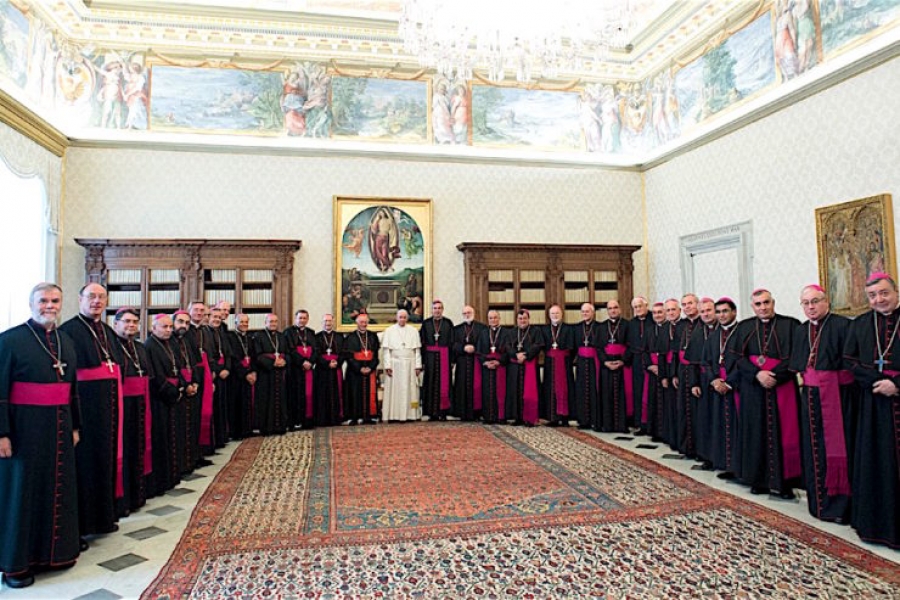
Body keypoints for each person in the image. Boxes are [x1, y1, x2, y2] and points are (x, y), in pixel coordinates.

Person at [0, 283, 81, 589]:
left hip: (59, 428)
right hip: (24, 431)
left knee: (57, 487)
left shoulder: (66, 341)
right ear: (31, 304)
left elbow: (73, 391)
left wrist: (75, 426)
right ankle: (15, 566)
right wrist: (1, 433)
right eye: (44, 301)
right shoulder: (9, 340)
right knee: (21, 494)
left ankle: (55, 554)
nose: (50, 306)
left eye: (55, 301)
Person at [59, 283, 125, 547]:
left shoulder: (107, 331)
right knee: (85, 465)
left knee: (104, 460)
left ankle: (103, 517)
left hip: (108, 408)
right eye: (91, 297)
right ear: (80, 299)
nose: (96, 302)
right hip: (85, 409)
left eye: (101, 297)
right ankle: (83, 526)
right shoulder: (68, 331)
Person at [790, 284, 856, 523]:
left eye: (815, 301)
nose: (811, 307)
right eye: (806, 303)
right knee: (813, 446)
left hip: (839, 398)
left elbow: (850, 366)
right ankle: (818, 504)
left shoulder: (844, 325)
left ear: (826, 301)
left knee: (839, 448)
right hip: (809, 398)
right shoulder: (801, 330)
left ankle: (841, 507)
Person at [843, 273, 900, 547]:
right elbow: (850, 360)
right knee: (875, 461)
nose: (879, 299)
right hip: (872, 403)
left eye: (884, 293)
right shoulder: (861, 324)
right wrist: (877, 382)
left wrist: (896, 384)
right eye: (873, 295)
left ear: (896, 292)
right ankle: (875, 526)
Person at [728, 289, 801, 498]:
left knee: (783, 433)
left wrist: (775, 375)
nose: (763, 307)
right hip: (754, 389)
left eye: (766, 302)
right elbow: (737, 358)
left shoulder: (791, 325)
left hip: (782, 386)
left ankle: (784, 483)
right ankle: (757, 480)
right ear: (752, 306)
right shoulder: (745, 327)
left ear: (773, 302)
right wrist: (757, 374)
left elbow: (796, 356)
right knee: (755, 433)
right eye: (758, 304)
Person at [145, 314, 192, 496]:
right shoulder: (149, 346)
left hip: (173, 396)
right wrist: (174, 392)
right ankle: (162, 480)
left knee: (173, 436)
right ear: (153, 327)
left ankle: (172, 475)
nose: (168, 330)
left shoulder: (170, 344)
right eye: (164, 327)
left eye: (170, 327)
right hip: (160, 400)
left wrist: (180, 386)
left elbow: (177, 368)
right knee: (162, 439)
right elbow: (155, 377)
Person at [112, 307, 152, 510]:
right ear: (115, 323)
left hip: (140, 404)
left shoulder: (139, 347)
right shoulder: (111, 347)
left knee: (137, 448)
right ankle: (123, 501)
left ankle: (137, 496)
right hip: (120, 406)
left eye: (135, 322)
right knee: (124, 450)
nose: (131, 325)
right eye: (126, 321)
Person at [700, 298, 741, 479]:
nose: (722, 315)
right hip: (717, 388)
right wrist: (715, 380)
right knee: (720, 425)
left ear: (734, 312)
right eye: (719, 312)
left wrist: (729, 382)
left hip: (737, 388)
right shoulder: (713, 337)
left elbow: (745, 361)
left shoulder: (742, 333)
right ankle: (723, 463)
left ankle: (737, 467)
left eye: (725, 311)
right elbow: (706, 362)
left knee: (737, 427)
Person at [687, 298, 718, 469]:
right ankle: (707, 456)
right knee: (705, 419)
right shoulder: (698, 332)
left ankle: (722, 458)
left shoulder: (723, 330)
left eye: (709, 310)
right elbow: (693, 362)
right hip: (704, 381)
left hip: (721, 381)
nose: (706, 314)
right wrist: (694, 383)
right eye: (703, 311)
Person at [172, 311, 202, 471]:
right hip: (180, 390)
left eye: (187, 323)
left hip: (192, 387)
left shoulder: (187, 341)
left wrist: (196, 382)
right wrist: (186, 385)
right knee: (181, 429)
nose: (183, 326)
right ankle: (182, 464)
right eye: (180, 322)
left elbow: (194, 364)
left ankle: (192, 460)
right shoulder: (168, 342)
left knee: (192, 425)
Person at [671, 293, 701, 456]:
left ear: (697, 304)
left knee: (698, 412)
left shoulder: (703, 323)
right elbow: (675, 351)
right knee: (683, 409)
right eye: (684, 304)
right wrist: (674, 374)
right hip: (682, 371)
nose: (687, 307)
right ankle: (685, 446)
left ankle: (699, 448)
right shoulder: (681, 326)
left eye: (690, 303)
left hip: (698, 371)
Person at [381, 309, 422, 422]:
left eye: (404, 317)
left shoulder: (413, 331)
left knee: (412, 390)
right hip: (395, 365)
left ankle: (412, 414)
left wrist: (418, 366)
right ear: (396, 317)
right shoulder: (389, 331)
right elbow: (386, 351)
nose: (402, 319)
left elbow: (417, 351)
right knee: (395, 391)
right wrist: (388, 366)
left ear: (407, 318)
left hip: (410, 364)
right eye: (400, 317)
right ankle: (394, 415)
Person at [187, 301, 216, 457]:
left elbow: (209, 354)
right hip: (193, 375)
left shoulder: (206, 331)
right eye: (196, 310)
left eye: (201, 311)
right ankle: (194, 454)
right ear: (189, 311)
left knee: (206, 411)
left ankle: (203, 451)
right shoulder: (185, 330)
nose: (198, 313)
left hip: (205, 374)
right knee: (194, 414)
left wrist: (211, 375)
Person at [506, 309, 545, 426]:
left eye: (524, 318)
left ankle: (529, 418)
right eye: (520, 319)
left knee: (529, 392)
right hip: (515, 366)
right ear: (517, 320)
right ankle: (517, 417)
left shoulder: (536, 331)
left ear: (528, 319)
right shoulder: (512, 332)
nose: (522, 321)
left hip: (530, 365)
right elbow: (507, 346)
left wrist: (526, 355)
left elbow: (538, 345)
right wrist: (515, 354)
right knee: (516, 391)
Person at [253, 314, 289, 435]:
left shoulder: (281, 336)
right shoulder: (258, 336)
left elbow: (287, 353)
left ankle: (280, 426)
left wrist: (284, 361)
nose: (273, 323)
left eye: (275, 321)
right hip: (265, 374)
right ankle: (266, 428)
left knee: (280, 399)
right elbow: (257, 356)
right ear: (265, 322)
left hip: (279, 374)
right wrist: (273, 362)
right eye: (271, 321)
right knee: (266, 400)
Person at [600, 299, 632, 433]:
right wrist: (605, 362)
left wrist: (623, 361)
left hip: (622, 366)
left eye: (615, 308)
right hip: (607, 366)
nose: (612, 310)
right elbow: (598, 347)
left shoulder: (627, 325)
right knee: (607, 395)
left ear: (619, 309)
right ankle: (608, 425)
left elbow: (631, 345)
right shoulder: (602, 327)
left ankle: (622, 425)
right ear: (607, 311)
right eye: (610, 308)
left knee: (622, 395)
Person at [541, 304, 574, 426]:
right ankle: (553, 417)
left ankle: (565, 418)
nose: (555, 316)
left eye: (557, 313)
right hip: (550, 363)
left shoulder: (568, 329)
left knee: (566, 389)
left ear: (562, 314)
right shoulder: (544, 329)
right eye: (552, 314)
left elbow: (572, 348)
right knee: (550, 388)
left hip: (565, 364)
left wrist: (562, 356)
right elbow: (543, 347)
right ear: (549, 316)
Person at [420, 299, 454, 421]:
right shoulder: (426, 323)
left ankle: (443, 412)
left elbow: (452, 342)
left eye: (439, 308)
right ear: (432, 310)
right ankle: (430, 412)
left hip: (444, 357)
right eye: (435, 308)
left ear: (442, 310)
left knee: (444, 384)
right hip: (430, 358)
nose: (437, 310)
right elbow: (422, 343)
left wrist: (452, 360)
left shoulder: (448, 323)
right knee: (430, 383)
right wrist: (422, 361)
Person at [451, 306, 487, 421]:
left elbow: (485, 344)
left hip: (476, 362)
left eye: (469, 312)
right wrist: (463, 348)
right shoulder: (457, 329)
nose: (467, 314)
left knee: (477, 387)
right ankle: (462, 413)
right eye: (465, 313)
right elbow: (453, 345)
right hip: (462, 362)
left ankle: (477, 413)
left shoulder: (482, 328)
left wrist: (474, 348)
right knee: (462, 386)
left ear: (473, 313)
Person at [344, 313, 380, 425]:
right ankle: (355, 416)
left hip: (370, 369)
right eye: (361, 322)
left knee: (370, 394)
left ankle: (368, 416)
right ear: (357, 323)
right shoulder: (350, 337)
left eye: (365, 322)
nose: (364, 324)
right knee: (355, 393)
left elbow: (376, 355)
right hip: (355, 371)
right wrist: (359, 368)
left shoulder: (373, 336)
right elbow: (349, 357)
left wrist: (370, 367)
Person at [476, 310, 510, 424]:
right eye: (491, 318)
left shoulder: (506, 333)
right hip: (487, 367)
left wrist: (499, 362)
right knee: (487, 391)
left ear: (499, 318)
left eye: (495, 317)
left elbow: (509, 351)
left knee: (501, 392)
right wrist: (485, 362)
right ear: (488, 319)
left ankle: (501, 417)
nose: (493, 320)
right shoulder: (483, 333)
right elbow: (478, 351)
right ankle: (488, 416)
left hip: (501, 367)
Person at [226, 313, 257, 439]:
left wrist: (253, 371)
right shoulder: (230, 337)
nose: (244, 324)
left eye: (246, 322)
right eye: (241, 322)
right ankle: (236, 432)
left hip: (249, 375)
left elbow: (254, 356)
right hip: (237, 377)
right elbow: (233, 358)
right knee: (236, 404)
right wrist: (245, 374)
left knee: (247, 403)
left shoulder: (250, 338)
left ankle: (247, 429)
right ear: (235, 323)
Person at [643, 302, 671, 441]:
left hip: (665, 371)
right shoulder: (649, 329)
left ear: (665, 313)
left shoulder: (671, 328)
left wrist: (662, 368)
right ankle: (655, 432)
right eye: (654, 313)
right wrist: (650, 365)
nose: (657, 315)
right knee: (653, 401)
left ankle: (666, 433)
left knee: (667, 402)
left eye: (660, 312)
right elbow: (645, 350)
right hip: (653, 370)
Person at [284, 309, 316, 430]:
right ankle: (293, 421)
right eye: (300, 318)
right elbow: (290, 350)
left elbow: (316, 349)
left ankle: (306, 421)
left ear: (307, 319)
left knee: (308, 394)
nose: (302, 320)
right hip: (295, 369)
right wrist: (302, 362)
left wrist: (310, 362)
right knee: (294, 394)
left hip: (308, 369)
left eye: (304, 318)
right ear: (295, 318)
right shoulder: (288, 332)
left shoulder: (311, 333)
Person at [573, 303, 603, 430]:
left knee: (594, 390)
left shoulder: (600, 327)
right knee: (581, 390)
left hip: (594, 362)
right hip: (581, 362)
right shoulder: (577, 328)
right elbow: (574, 346)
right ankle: (583, 420)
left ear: (593, 312)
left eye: (587, 311)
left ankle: (595, 420)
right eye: (583, 312)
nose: (585, 314)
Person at [207, 306, 231, 447]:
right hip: (214, 374)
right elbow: (208, 356)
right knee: (214, 407)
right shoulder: (206, 333)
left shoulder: (221, 332)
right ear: (208, 318)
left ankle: (222, 437)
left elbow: (227, 353)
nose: (216, 320)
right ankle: (215, 440)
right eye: (213, 317)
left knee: (222, 406)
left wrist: (227, 368)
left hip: (224, 373)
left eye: (218, 317)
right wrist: (219, 369)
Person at [314, 314, 344, 427]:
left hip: (336, 369)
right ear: (322, 322)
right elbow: (315, 354)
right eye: (326, 321)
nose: (328, 323)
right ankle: (322, 419)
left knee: (337, 393)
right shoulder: (316, 337)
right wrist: (327, 363)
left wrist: (337, 362)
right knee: (322, 394)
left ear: (333, 322)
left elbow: (343, 353)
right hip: (322, 370)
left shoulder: (339, 337)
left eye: (330, 321)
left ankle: (336, 418)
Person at [628, 297, 651, 433]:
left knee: (651, 393)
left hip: (650, 361)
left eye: (640, 306)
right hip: (636, 361)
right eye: (635, 307)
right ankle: (640, 423)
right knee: (638, 391)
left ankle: (651, 424)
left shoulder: (653, 319)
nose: (638, 309)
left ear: (646, 305)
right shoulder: (631, 324)